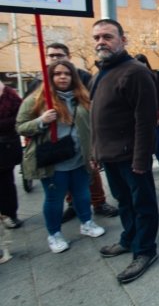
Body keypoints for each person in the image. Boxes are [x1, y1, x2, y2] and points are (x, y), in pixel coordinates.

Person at [90, 19, 159, 284]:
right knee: (124, 203)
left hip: (132, 158)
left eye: (107, 36)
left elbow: (146, 121)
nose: (101, 42)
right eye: (96, 37)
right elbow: (98, 117)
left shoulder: (136, 72)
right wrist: (95, 152)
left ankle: (145, 251)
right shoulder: (101, 73)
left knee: (142, 205)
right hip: (110, 157)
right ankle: (129, 239)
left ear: (123, 39)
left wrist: (141, 160)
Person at [16, 60, 105, 253]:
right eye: (57, 74)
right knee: (54, 199)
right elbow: (20, 126)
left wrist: (93, 153)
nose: (63, 77)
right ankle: (54, 234)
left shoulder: (81, 97)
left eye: (67, 73)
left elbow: (90, 127)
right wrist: (41, 121)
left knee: (82, 193)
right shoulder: (37, 99)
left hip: (79, 157)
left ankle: (87, 222)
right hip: (54, 162)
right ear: (50, 77)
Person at [27, 42, 118, 221]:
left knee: (90, 171)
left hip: (82, 135)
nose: (55, 59)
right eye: (52, 56)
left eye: (59, 55)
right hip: (56, 139)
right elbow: (27, 113)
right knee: (65, 176)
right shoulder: (39, 81)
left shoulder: (83, 77)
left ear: (68, 57)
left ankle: (99, 202)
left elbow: (95, 102)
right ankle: (73, 205)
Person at [134, 54, 159, 174]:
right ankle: (146, 165)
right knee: (141, 144)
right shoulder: (131, 79)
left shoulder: (153, 77)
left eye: (142, 63)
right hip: (136, 118)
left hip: (152, 117)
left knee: (158, 143)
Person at [0, 80, 23, 229]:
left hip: (5, 146)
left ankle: (9, 214)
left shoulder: (10, 95)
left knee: (6, 182)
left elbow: (19, 118)